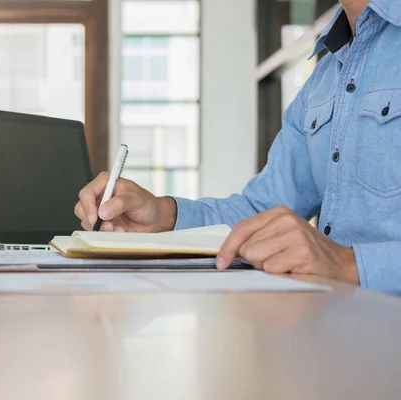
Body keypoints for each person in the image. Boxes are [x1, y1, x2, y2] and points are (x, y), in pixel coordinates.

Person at [75, 0, 401, 293]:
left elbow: (337, 262)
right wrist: (163, 216)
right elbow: (261, 211)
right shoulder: (324, 75)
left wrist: (348, 265)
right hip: (343, 330)